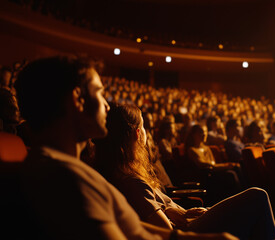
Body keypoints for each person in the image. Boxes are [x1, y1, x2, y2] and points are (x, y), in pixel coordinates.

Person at [14, 55, 238, 240]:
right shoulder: (62, 177)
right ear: (77, 99)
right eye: (100, 92)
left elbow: (137, 230)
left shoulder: (73, 168)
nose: (106, 105)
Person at [92, 103, 275, 240]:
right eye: (144, 126)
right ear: (137, 133)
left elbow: (153, 209)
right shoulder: (131, 181)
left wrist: (171, 209)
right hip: (189, 232)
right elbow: (166, 231)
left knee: (251, 207)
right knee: (257, 196)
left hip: (187, 217)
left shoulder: (126, 173)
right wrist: (179, 215)